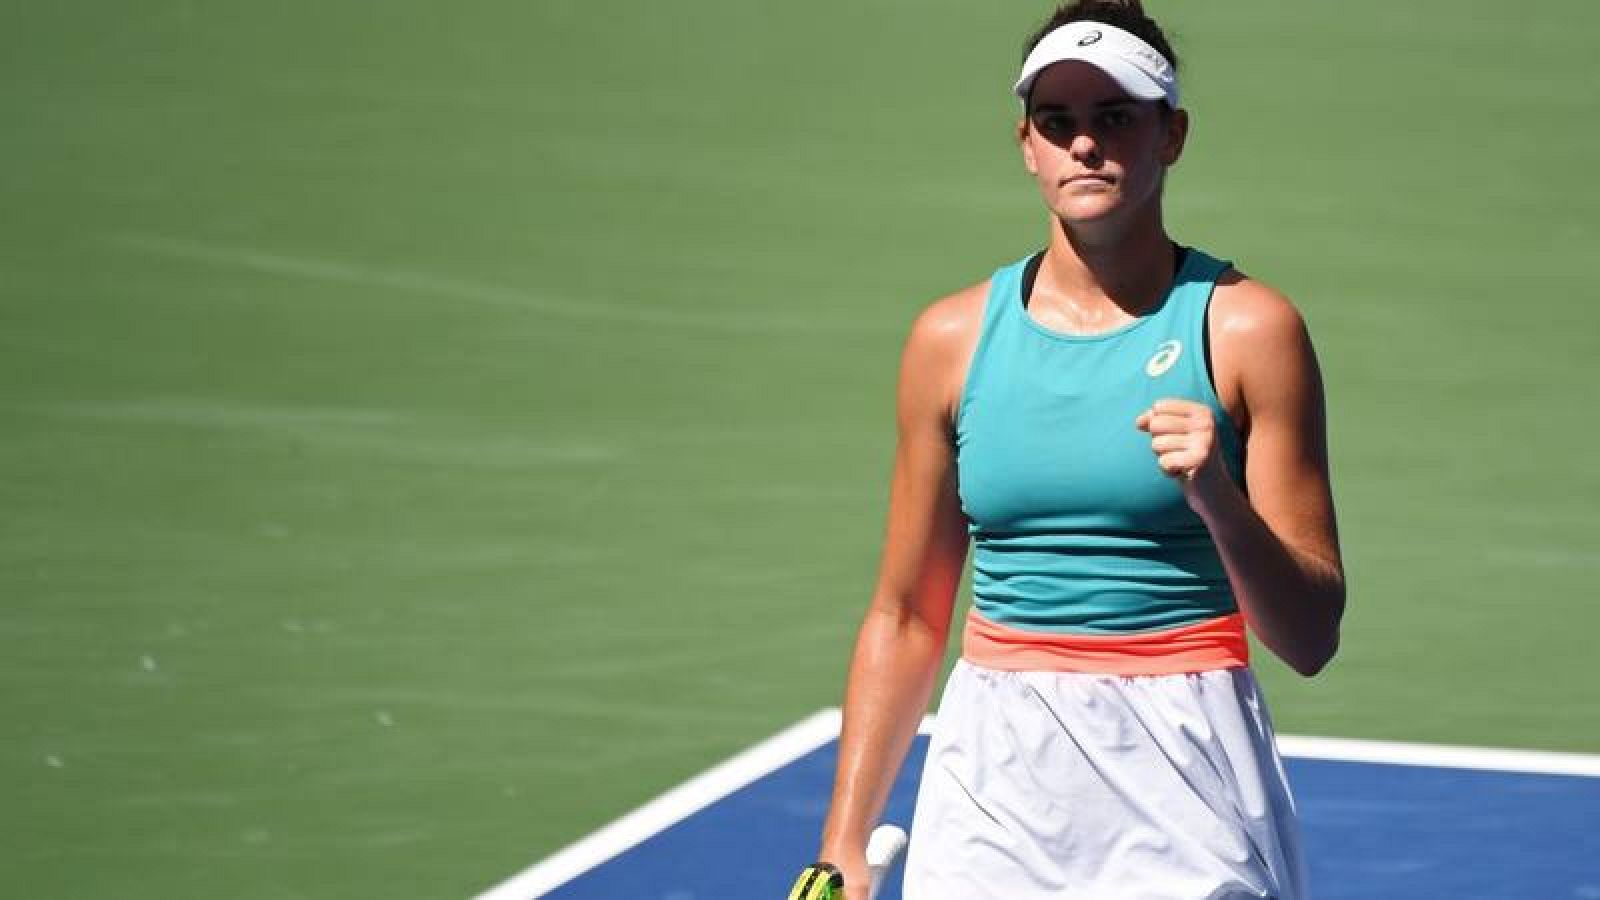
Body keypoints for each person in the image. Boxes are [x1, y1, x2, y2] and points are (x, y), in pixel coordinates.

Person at [812, 1, 1346, 897]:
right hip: (993, 770)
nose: (1085, 146)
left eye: (1115, 118)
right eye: (1058, 123)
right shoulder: (951, 339)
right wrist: (844, 839)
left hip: (1187, 763)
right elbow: (906, 615)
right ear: (1026, 143)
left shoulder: (1250, 329)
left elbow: (1311, 635)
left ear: (1170, 134)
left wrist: (1217, 495)